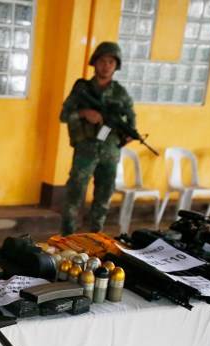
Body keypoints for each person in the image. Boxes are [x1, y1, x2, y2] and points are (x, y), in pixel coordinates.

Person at [59, 41, 136, 236]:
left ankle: (96, 237)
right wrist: (84, 113)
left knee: (104, 196)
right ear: (95, 62)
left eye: (111, 61)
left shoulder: (121, 93)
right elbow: (64, 115)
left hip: (110, 153)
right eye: (103, 60)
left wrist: (129, 134)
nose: (106, 65)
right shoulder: (82, 88)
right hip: (85, 150)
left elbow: (131, 118)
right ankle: (66, 237)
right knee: (75, 194)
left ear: (116, 65)